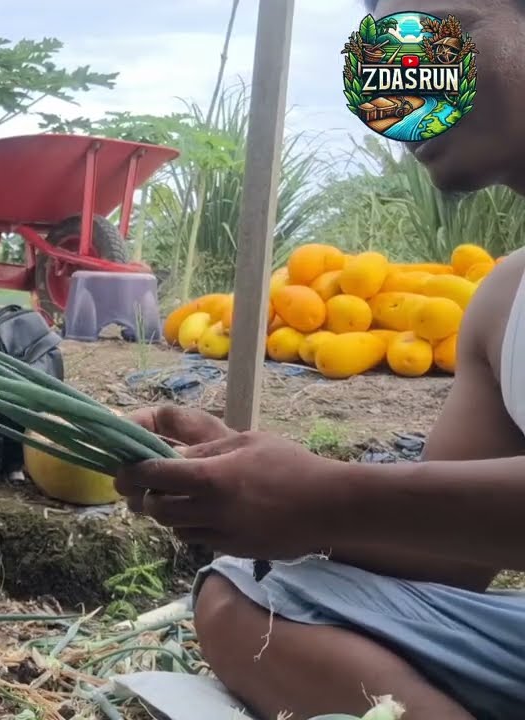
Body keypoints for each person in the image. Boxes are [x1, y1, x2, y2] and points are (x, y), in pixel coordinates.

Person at [113, 2, 525, 718]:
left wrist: (328, 495)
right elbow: (452, 556)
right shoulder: (503, 302)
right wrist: (262, 492)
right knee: (242, 599)